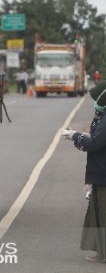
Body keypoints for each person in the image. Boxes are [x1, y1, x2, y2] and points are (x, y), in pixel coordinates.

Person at [62, 81, 106, 263]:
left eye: (96, 99)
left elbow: (96, 143)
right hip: (100, 173)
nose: (94, 103)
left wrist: (76, 137)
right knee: (98, 214)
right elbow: (97, 139)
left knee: (103, 216)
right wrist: (83, 137)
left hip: (103, 174)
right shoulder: (102, 116)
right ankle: (101, 252)